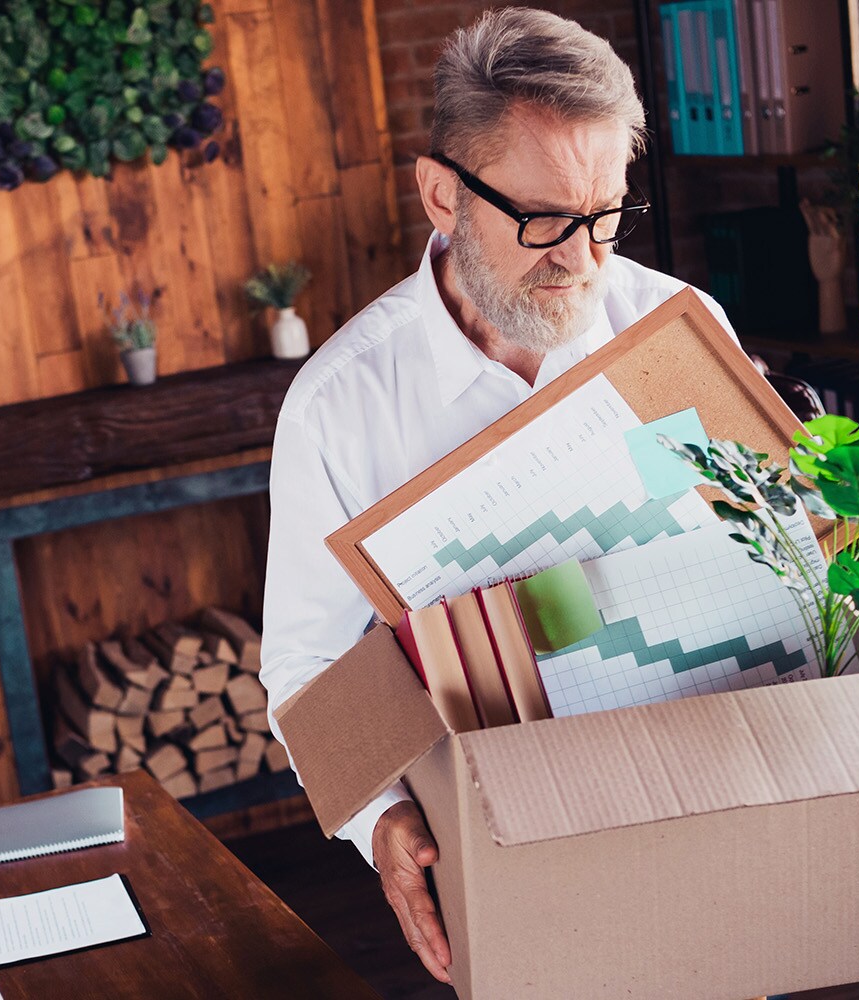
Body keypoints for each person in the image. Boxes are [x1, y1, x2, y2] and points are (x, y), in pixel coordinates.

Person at [257, 8, 740, 985]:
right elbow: (304, 661)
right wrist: (380, 818)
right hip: (499, 832)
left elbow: (760, 545)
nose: (585, 260)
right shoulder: (342, 404)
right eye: (547, 221)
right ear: (441, 194)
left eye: (606, 215)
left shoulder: (673, 330)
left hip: (707, 796)